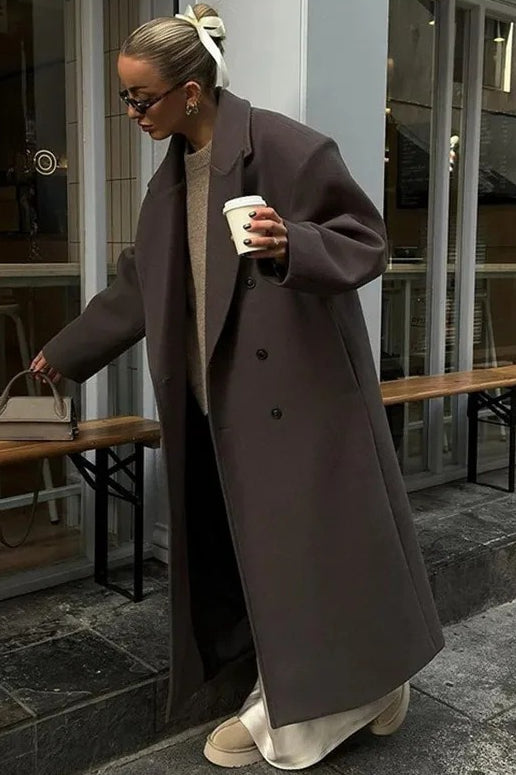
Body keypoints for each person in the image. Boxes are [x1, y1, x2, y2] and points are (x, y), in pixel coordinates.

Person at [31, 4, 444, 770]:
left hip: (300, 399)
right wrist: (64, 352)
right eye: (126, 97)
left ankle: (302, 714)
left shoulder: (284, 146)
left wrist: (294, 243)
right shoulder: (169, 182)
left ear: (190, 91)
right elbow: (139, 287)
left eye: (141, 98)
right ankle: (348, 686)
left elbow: (369, 241)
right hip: (219, 408)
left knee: (308, 557)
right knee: (269, 561)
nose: (131, 113)